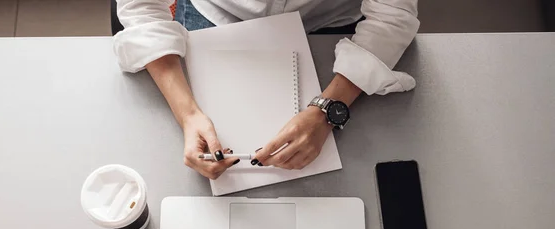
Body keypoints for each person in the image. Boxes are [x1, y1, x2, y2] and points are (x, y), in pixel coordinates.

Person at [114, 0, 419, 179]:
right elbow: (142, 7)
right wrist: (188, 115)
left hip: (329, 25)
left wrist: (329, 108)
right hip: (213, 13)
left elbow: (392, 14)